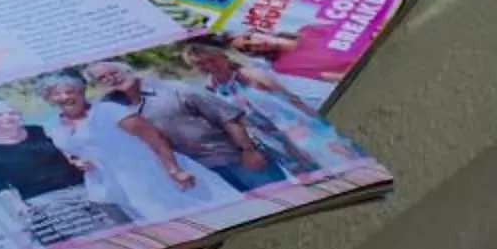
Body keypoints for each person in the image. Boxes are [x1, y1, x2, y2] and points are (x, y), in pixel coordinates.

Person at [39, 76, 238, 223]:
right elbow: (69, 149)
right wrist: (75, 161)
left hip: (153, 173)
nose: (64, 97)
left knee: (206, 215)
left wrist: (175, 170)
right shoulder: (52, 125)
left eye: (70, 91)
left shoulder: (109, 110)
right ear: (49, 99)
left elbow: (155, 138)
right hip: (111, 185)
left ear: (81, 92)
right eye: (57, 94)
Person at [84, 60, 269, 192]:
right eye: (103, 78)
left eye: (114, 73)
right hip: (196, 175)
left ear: (128, 70)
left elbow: (228, 116)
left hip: (234, 159)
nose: (112, 79)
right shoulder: (110, 108)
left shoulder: (174, 89)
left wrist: (248, 151)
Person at [0, 100, 119, 246]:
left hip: (84, 187)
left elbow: (67, 153)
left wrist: (80, 160)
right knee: (96, 238)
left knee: (119, 226)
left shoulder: (38, 131)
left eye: (12, 113)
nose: (7, 118)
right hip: (45, 199)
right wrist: (16, 204)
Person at [182, 43, 323, 179]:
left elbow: (291, 98)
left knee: (318, 162)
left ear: (223, 56)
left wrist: (317, 120)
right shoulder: (211, 89)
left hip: (291, 127)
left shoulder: (250, 74)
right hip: (264, 138)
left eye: (212, 60)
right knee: (299, 171)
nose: (209, 66)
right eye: (200, 64)